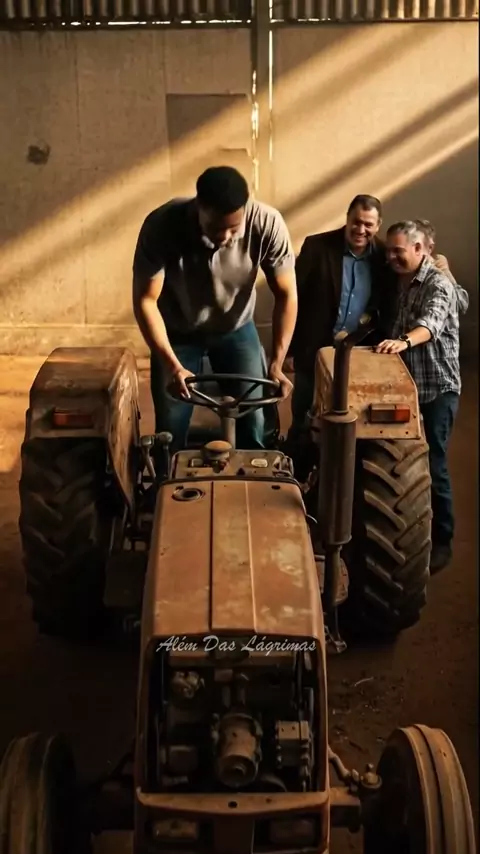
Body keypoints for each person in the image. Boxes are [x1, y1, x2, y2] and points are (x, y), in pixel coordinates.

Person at [132, 166, 297, 451]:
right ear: (199, 208)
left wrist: (277, 363)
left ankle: (254, 472)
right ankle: (169, 470)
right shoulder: (162, 225)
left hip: (236, 328)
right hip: (178, 332)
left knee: (254, 417)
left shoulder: (267, 223)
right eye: (216, 228)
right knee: (171, 424)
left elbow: (286, 294)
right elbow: (145, 300)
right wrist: (173, 366)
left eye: (234, 228)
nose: (225, 236)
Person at [375, 221, 465, 573]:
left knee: (434, 463)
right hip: (406, 386)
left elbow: (431, 323)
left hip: (437, 388)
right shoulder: (400, 279)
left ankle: (442, 540)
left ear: (419, 249)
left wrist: (404, 341)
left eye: (398, 251)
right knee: (404, 460)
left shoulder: (438, 283)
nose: (391, 257)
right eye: (389, 250)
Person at [288, 194, 387, 439]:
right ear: (347, 218)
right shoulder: (316, 247)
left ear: (378, 225)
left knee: (352, 414)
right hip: (313, 348)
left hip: (359, 351)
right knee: (304, 412)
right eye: (356, 222)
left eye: (368, 224)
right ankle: (298, 452)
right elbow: (293, 299)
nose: (361, 230)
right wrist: (289, 350)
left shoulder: (384, 256)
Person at [415, 218, 469, 313]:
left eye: (417, 247)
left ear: (430, 248)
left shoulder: (437, 270)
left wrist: (446, 273)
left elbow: (462, 305)